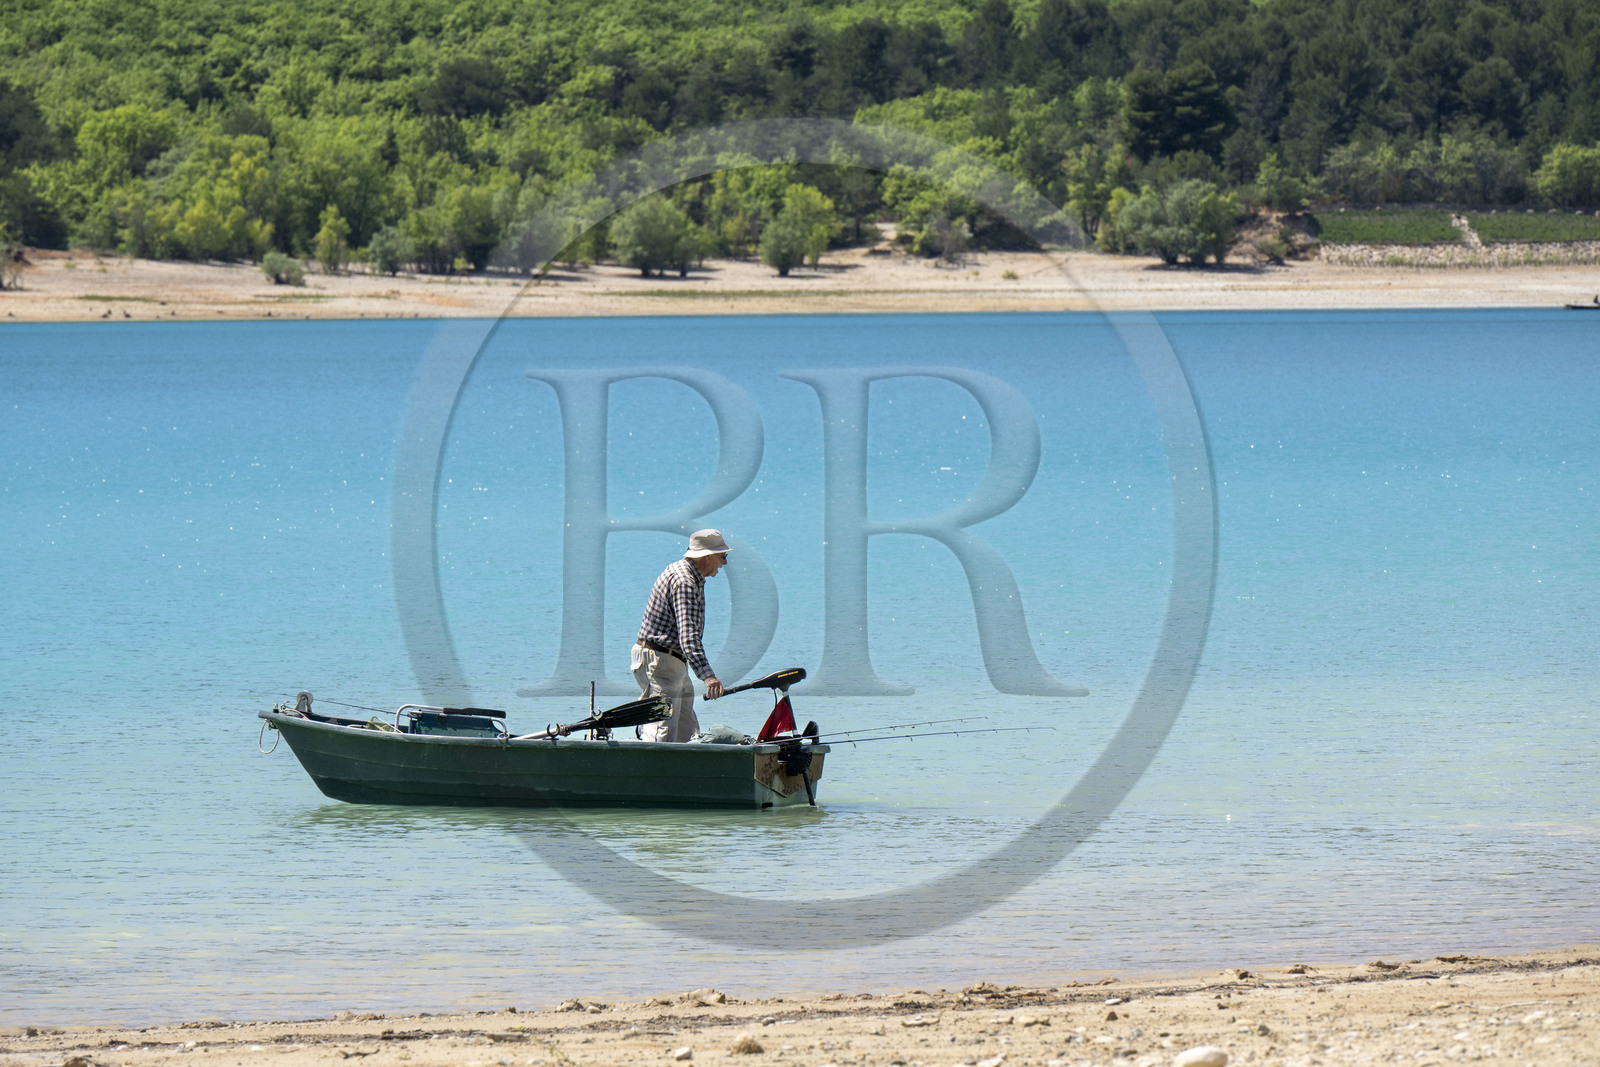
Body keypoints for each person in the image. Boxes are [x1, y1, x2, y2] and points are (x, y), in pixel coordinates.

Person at [631, 529, 729, 742]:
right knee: (662, 730)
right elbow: (688, 637)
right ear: (707, 556)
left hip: (669, 659)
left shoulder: (686, 573)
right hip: (660, 660)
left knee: (686, 727)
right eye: (723, 556)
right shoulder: (685, 581)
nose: (724, 563)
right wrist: (708, 676)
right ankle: (652, 769)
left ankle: (682, 769)